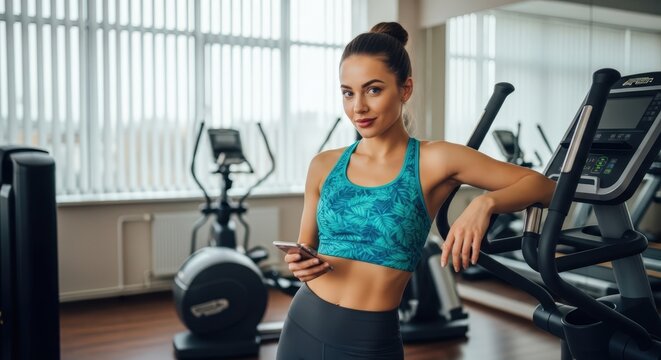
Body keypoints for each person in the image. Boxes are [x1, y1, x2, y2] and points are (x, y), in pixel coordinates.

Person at [275, 22, 556, 360]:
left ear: (405, 89)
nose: (358, 107)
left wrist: (486, 203)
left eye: (373, 90)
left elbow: (545, 187)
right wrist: (299, 262)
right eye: (348, 92)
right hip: (303, 324)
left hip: (368, 338)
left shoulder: (435, 159)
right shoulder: (323, 165)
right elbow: (307, 247)